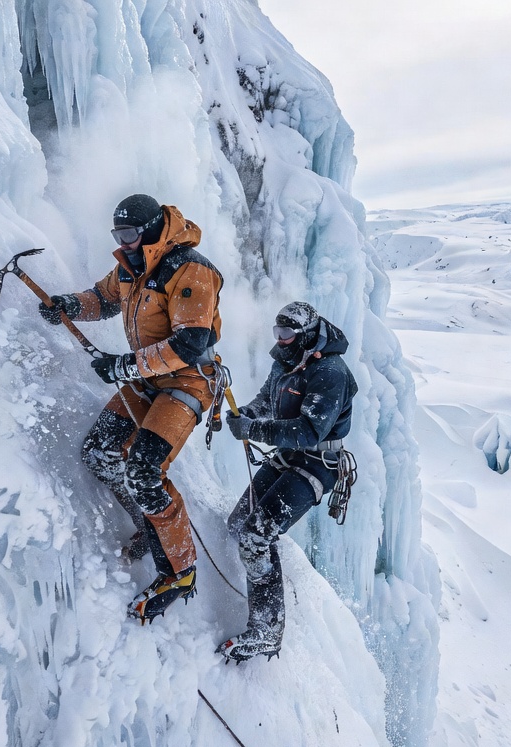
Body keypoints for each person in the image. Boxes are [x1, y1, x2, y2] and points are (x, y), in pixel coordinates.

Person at [38, 194, 224, 623]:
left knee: (144, 469)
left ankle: (179, 571)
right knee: (100, 451)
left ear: (152, 230)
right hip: (148, 377)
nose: (122, 243)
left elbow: (191, 343)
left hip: (188, 380)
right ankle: (150, 520)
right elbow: (103, 299)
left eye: (128, 235)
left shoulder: (190, 270)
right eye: (117, 235)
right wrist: (68, 306)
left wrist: (125, 365)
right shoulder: (130, 267)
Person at [218, 301, 358, 662]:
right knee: (238, 526)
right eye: (277, 333)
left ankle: (267, 630)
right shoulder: (286, 359)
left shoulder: (331, 372)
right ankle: (245, 584)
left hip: (316, 465)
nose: (281, 340)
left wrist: (256, 430)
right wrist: (246, 415)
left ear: (307, 335)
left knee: (255, 536)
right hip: (287, 457)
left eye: (288, 334)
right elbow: (267, 399)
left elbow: (310, 430)